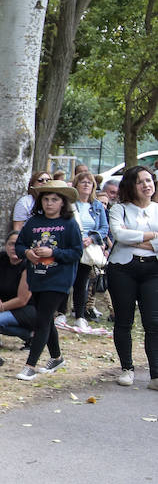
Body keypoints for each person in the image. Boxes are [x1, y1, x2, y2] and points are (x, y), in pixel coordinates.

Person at [15, 179, 83, 381]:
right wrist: (27, 253)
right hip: (37, 277)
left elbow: (77, 252)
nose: (49, 203)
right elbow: (19, 245)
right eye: (46, 199)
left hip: (59, 279)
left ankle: (30, 366)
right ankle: (56, 357)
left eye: (54, 199)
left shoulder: (69, 224)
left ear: (63, 202)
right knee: (46, 319)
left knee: (42, 319)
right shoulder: (33, 222)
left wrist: (53, 251)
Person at [106, 166, 158, 388]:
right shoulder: (119, 209)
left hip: (153, 269)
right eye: (140, 182)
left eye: (149, 180)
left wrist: (136, 239)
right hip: (122, 268)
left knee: (153, 322)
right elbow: (118, 234)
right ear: (131, 186)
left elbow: (127, 236)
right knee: (124, 320)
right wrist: (154, 236)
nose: (147, 185)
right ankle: (127, 368)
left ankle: (155, 374)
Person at [0, 229, 39, 342]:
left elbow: (22, 300)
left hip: (26, 309)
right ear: (6, 245)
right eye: (11, 244)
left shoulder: (29, 265)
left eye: (19, 244)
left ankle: (30, 335)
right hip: (2, 301)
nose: (14, 247)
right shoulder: (2, 258)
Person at [69, 169, 109, 329]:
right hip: (71, 246)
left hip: (88, 249)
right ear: (76, 185)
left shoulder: (97, 206)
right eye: (83, 182)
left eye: (89, 182)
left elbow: (104, 227)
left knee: (82, 283)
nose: (86, 185)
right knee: (66, 281)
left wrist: (92, 238)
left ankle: (80, 315)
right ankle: (59, 313)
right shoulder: (70, 204)